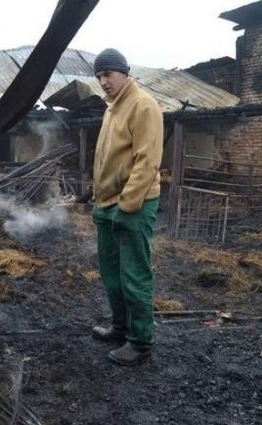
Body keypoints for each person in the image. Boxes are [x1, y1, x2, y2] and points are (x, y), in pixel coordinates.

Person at [90, 48, 163, 366]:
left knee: (134, 274)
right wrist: (99, 201)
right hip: (107, 204)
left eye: (107, 74)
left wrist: (128, 205)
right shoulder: (111, 109)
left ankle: (141, 342)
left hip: (134, 203)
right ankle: (120, 328)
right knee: (111, 274)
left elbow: (147, 162)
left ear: (124, 72)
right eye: (98, 76)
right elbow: (106, 158)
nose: (103, 81)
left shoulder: (143, 105)